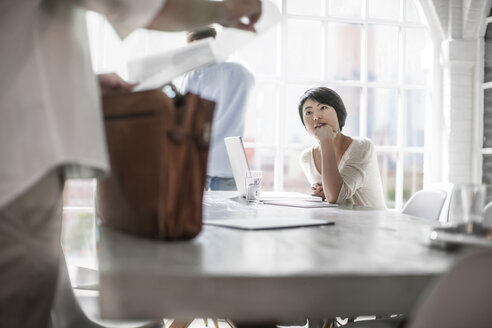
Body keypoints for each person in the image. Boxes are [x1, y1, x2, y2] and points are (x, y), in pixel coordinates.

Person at [0, 0, 261, 327]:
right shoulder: (244, 73)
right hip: (16, 167)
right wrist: (228, 9)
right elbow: (143, 5)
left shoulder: (200, 73)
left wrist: (85, 82)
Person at [181, 26, 255, 191]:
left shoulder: (196, 72)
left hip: (203, 159)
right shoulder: (245, 71)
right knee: (232, 213)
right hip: (234, 162)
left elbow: (185, 116)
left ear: (194, 44)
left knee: (200, 215)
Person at [298, 87, 386, 209]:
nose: (316, 117)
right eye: (308, 112)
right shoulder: (307, 158)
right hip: (335, 225)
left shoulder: (362, 147)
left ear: (338, 113)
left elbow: (335, 196)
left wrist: (326, 140)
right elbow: (328, 199)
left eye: (323, 108)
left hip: (369, 225)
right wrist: (317, 194)